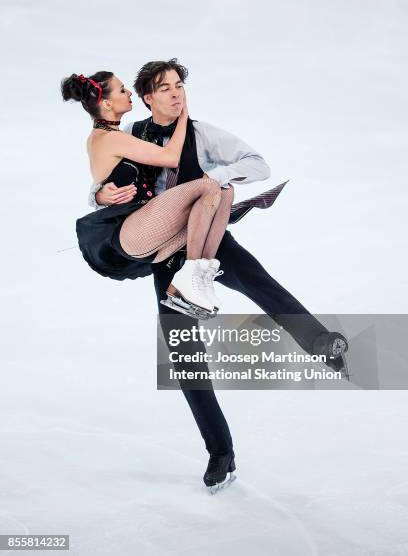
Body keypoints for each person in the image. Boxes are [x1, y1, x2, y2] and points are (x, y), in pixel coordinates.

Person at [87, 59, 350, 493]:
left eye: (178, 86)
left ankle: (321, 343)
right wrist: (99, 194)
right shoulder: (131, 135)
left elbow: (257, 164)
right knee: (185, 356)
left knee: (261, 285)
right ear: (147, 98)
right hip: (163, 252)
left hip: (210, 237)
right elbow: (105, 183)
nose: (175, 93)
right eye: (164, 88)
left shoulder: (201, 133)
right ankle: (220, 453)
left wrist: (218, 176)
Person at [61, 71, 236, 319]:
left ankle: (195, 280)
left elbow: (105, 183)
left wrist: (98, 194)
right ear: (107, 103)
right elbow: (170, 158)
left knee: (225, 191)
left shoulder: (115, 137)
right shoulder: (110, 139)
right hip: (132, 233)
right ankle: (189, 276)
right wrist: (183, 116)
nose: (129, 93)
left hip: (152, 233)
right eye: (122, 90)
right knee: (209, 185)